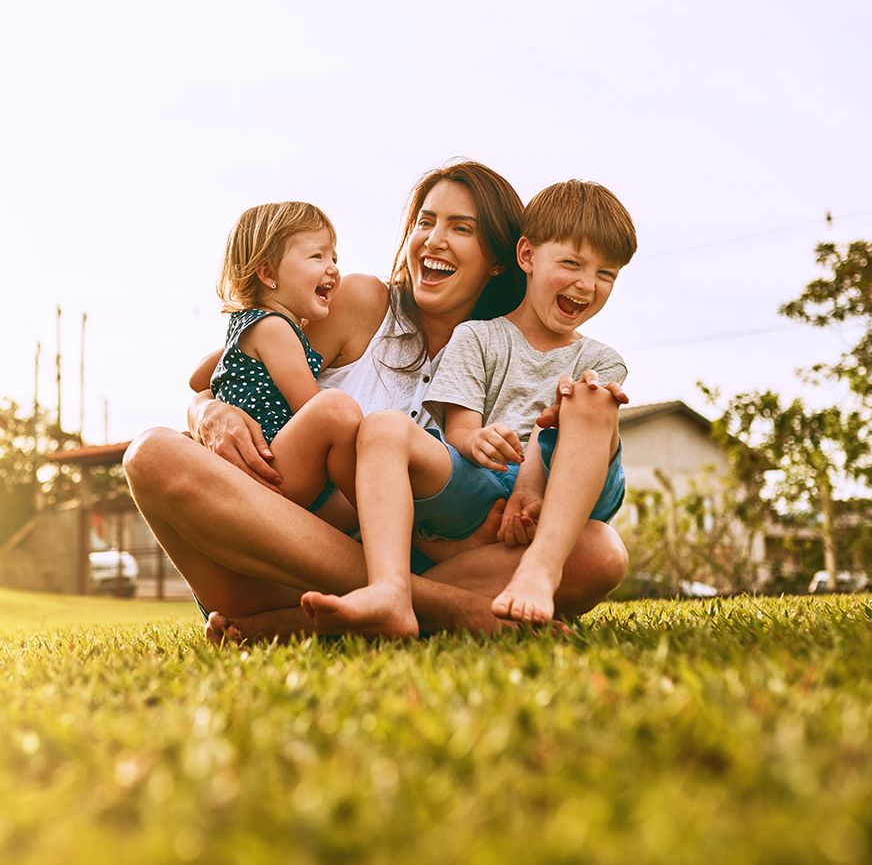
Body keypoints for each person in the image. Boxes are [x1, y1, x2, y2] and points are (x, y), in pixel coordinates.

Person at [124, 162, 629, 642]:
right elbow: (238, 362)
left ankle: (321, 617)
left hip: (432, 563)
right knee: (151, 453)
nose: (433, 239)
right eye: (425, 221)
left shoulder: (511, 354)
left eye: (460, 228)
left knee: (599, 552)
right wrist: (210, 412)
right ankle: (439, 607)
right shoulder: (361, 303)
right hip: (272, 557)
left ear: (500, 260)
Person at [304, 179, 635, 635]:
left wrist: (533, 486)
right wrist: (476, 439)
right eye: (572, 264)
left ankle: (539, 570)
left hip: (565, 492)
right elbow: (459, 428)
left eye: (605, 275)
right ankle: (389, 591)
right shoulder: (477, 336)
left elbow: (564, 435)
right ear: (526, 258)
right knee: (383, 427)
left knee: (590, 400)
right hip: (483, 485)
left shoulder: (601, 360)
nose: (586, 284)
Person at [209, 200, 359, 527]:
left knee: (362, 519)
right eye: (317, 256)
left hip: (269, 469)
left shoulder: (246, 325)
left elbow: (199, 379)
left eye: (334, 257)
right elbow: (311, 407)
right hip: (273, 467)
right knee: (335, 408)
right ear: (268, 273)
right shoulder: (275, 328)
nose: (332, 267)